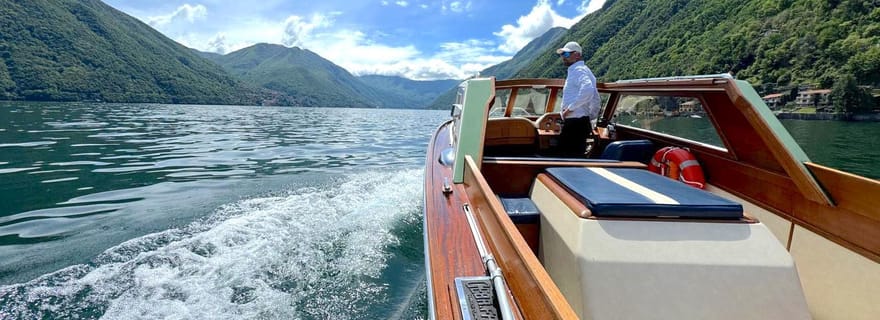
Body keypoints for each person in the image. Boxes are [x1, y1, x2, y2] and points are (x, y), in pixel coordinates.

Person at [556, 41, 600, 157]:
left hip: (575, 123)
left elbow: (588, 90)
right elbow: (595, 97)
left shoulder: (578, 70)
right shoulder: (584, 70)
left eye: (566, 54)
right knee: (575, 157)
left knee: (566, 158)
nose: (563, 57)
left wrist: (569, 109)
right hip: (580, 122)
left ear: (577, 55)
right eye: (562, 55)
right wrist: (591, 116)